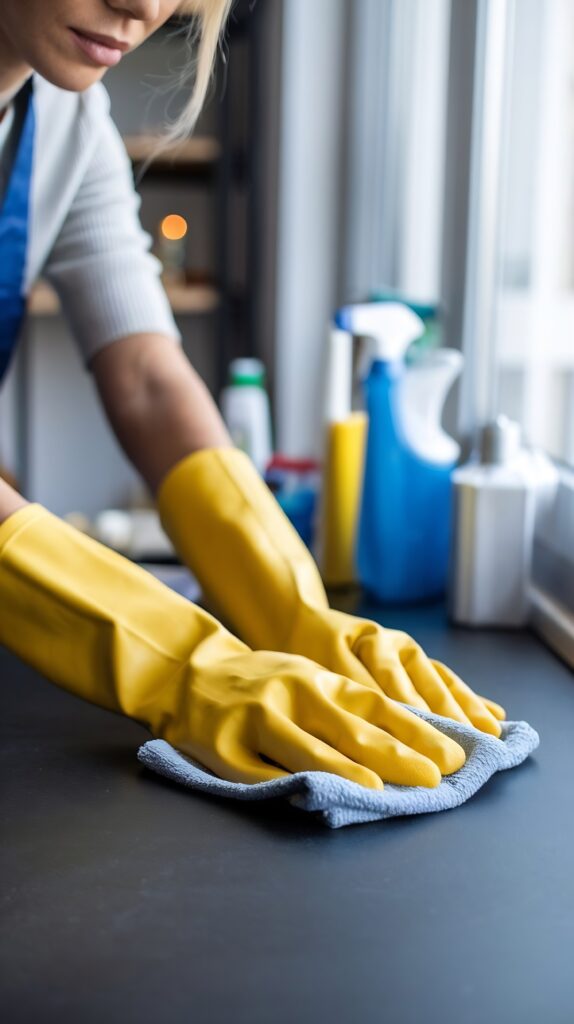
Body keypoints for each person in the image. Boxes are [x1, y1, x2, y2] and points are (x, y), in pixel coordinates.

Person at [0, 0, 506, 793]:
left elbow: (145, 375)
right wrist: (180, 663)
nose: (142, 6)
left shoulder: (64, 119)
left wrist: (291, 608)